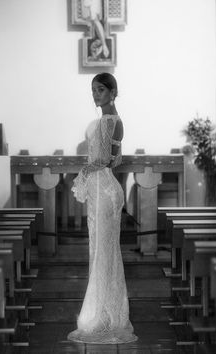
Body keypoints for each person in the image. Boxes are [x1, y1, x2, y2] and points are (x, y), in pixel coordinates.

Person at [67, 73, 138, 344]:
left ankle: (101, 317)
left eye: (100, 89)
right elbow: (112, 160)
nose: (95, 94)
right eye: (93, 90)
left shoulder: (109, 121)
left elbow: (103, 160)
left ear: (112, 92)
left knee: (103, 254)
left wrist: (84, 171)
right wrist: (88, 173)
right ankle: (106, 314)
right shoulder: (111, 122)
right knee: (101, 252)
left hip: (104, 191)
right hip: (104, 190)